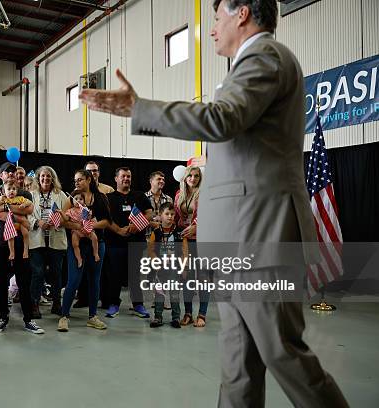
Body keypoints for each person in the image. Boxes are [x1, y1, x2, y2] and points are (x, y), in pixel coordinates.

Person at [79, 1, 348, 406]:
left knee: (283, 353)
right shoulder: (249, 64)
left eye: (217, 16)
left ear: (243, 13)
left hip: (261, 237)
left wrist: (141, 109)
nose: (212, 29)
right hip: (241, 241)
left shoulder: (264, 56)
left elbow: (222, 119)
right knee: (238, 368)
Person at [0, 162, 44, 334]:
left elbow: (30, 209)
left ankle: (28, 319)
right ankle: (2, 318)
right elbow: (0, 214)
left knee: (24, 281)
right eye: (7, 172)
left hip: (21, 243)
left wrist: (7, 208)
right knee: (1, 281)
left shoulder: (25, 193)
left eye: (14, 171)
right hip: (1, 243)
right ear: (1, 175)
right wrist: (17, 215)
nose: (11, 174)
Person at [57, 170, 110, 332]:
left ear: (89, 179)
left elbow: (107, 221)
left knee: (94, 281)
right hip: (77, 243)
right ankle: (64, 316)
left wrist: (92, 226)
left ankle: (92, 316)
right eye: (75, 180)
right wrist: (78, 226)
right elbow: (61, 220)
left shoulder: (101, 197)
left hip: (96, 242)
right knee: (73, 280)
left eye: (80, 179)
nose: (77, 182)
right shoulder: (71, 198)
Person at [104, 167, 152, 319]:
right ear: (116, 178)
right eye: (123, 176)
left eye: (129, 176)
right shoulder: (108, 197)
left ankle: (138, 304)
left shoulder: (140, 195)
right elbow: (105, 218)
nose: (126, 179)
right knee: (114, 276)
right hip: (115, 243)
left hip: (136, 243)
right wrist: (118, 230)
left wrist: (136, 226)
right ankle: (113, 304)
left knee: (135, 276)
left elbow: (149, 213)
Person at [28, 166, 68, 318]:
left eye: (48, 176)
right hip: (37, 240)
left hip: (56, 240)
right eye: (43, 176)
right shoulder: (31, 195)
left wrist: (59, 218)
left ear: (53, 178)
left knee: (56, 274)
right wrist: (38, 222)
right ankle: (34, 305)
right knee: (37, 273)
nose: (45, 179)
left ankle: (57, 304)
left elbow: (67, 214)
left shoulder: (61, 195)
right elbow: (26, 216)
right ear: (38, 178)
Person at [173, 166, 206, 327]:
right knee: (186, 278)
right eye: (190, 176)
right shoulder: (179, 195)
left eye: (196, 176)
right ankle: (187, 313)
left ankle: (202, 314)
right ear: (185, 178)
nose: (193, 179)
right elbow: (176, 217)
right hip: (184, 241)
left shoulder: (205, 194)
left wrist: (196, 226)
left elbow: (210, 216)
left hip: (202, 240)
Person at [147, 202, 181, 328]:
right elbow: (151, 251)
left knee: (174, 293)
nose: (170, 216)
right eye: (167, 214)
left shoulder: (179, 233)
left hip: (174, 268)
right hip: (160, 268)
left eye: (172, 214)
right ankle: (158, 317)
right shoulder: (156, 233)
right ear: (160, 215)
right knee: (159, 293)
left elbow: (184, 250)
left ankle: (176, 317)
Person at [0, 181, 32, 260]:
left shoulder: (20, 198)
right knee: (10, 236)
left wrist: (24, 204)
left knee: (26, 233)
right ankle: (12, 252)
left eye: (14, 189)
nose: (11, 191)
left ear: (16, 191)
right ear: (4, 192)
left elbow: (29, 202)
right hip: (11, 223)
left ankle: (26, 250)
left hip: (21, 224)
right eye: (9, 189)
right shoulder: (4, 199)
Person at [64, 190, 100, 268]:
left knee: (95, 238)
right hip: (76, 231)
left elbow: (90, 219)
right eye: (76, 199)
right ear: (72, 201)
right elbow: (65, 219)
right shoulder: (70, 211)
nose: (78, 201)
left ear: (84, 201)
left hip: (86, 228)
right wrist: (60, 213)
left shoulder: (85, 209)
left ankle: (96, 253)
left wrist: (90, 215)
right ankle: (79, 259)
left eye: (81, 199)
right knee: (75, 244)